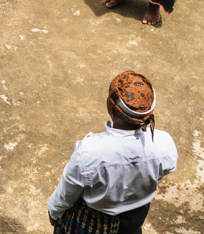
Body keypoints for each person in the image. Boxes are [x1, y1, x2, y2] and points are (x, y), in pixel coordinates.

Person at [47, 71, 177, 234]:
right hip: (134, 217)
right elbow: (162, 170)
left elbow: (68, 192)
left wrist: (54, 211)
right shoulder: (165, 145)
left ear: (111, 108)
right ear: (148, 112)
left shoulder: (89, 152)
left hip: (94, 222)